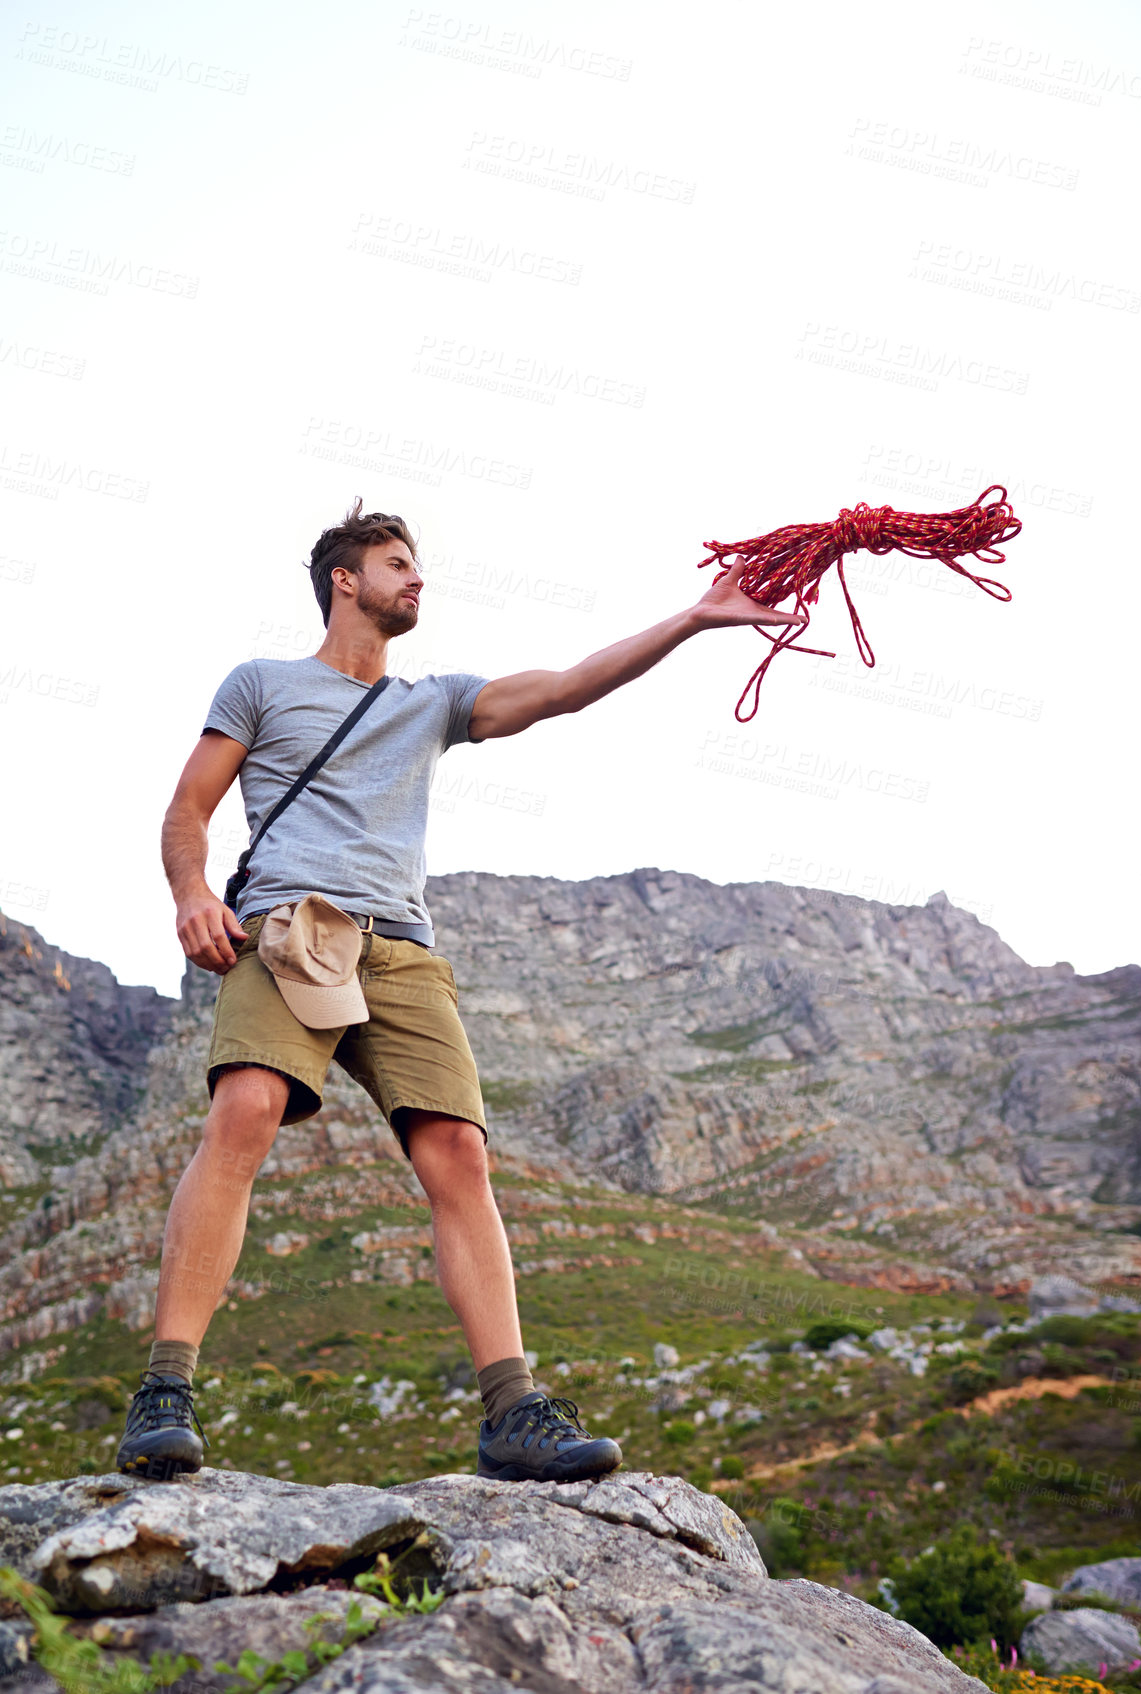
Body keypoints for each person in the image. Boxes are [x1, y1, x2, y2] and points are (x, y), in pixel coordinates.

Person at [114, 497, 804, 1483]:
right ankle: (166, 1390)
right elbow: (188, 807)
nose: (417, 577)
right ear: (344, 579)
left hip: (400, 950)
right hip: (292, 930)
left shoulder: (431, 702)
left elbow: (564, 688)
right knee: (246, 1108)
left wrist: (690, 619)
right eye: (397, 561)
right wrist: (191, 892)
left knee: (460, 1156)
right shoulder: (262, 683)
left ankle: (512, 1410)